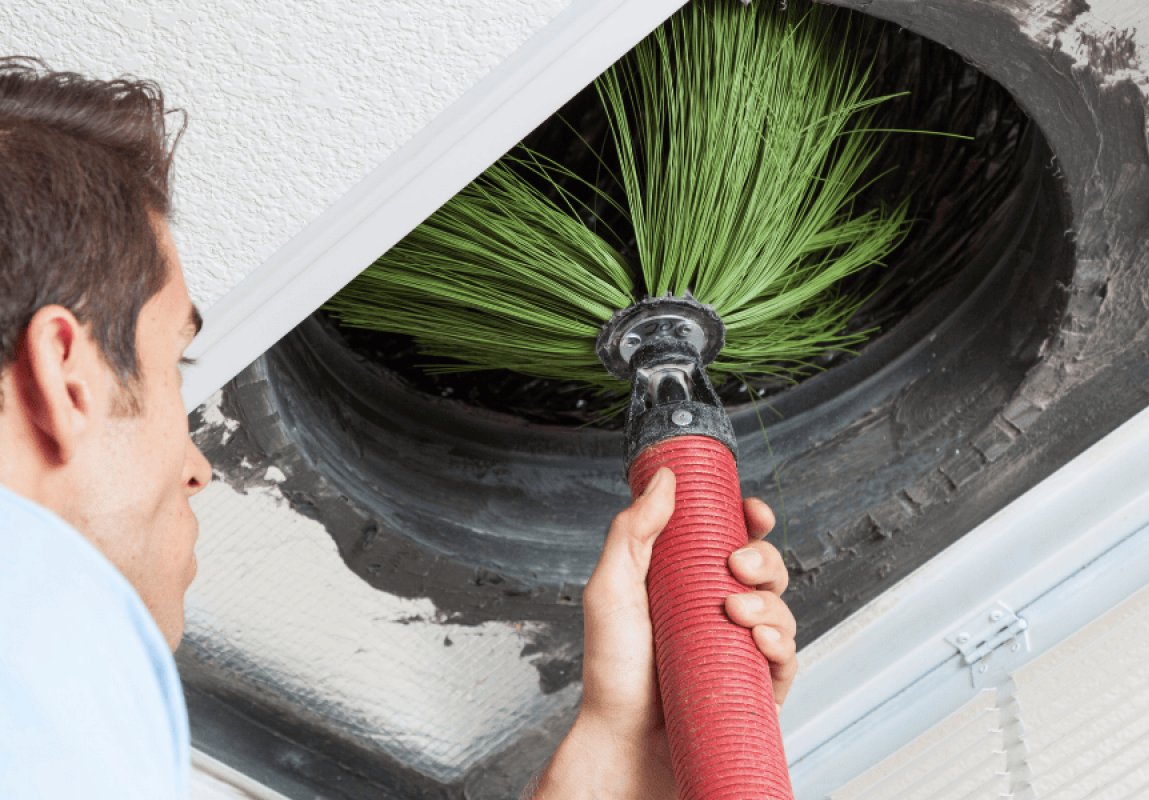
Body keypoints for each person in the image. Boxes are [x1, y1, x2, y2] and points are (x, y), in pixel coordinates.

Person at [0, 58, 798, 798]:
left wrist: (623, 743)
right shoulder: (51, 659)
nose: (199, 468)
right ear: (68, 376)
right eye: (177, 362)